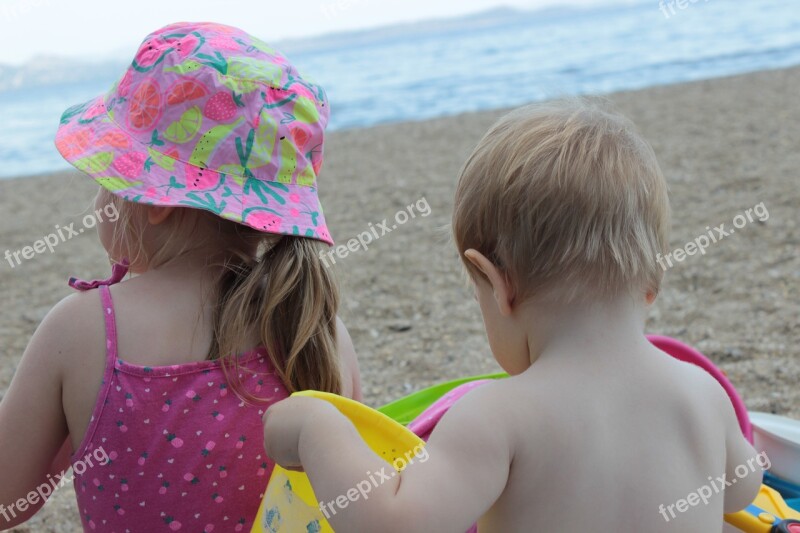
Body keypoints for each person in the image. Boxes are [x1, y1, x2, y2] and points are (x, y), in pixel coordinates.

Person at [262, 99, 761, 532]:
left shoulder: (496, 416)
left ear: (497, 284)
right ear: (651, 281)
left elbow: (393, 523)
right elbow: (742, 490)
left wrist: (316, 426)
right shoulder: (702, 393)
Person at [0, 22, 360, 532]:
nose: (101, 198)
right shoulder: (314, 327)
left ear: (155, 201)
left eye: (108, 178)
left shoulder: (82, 331)